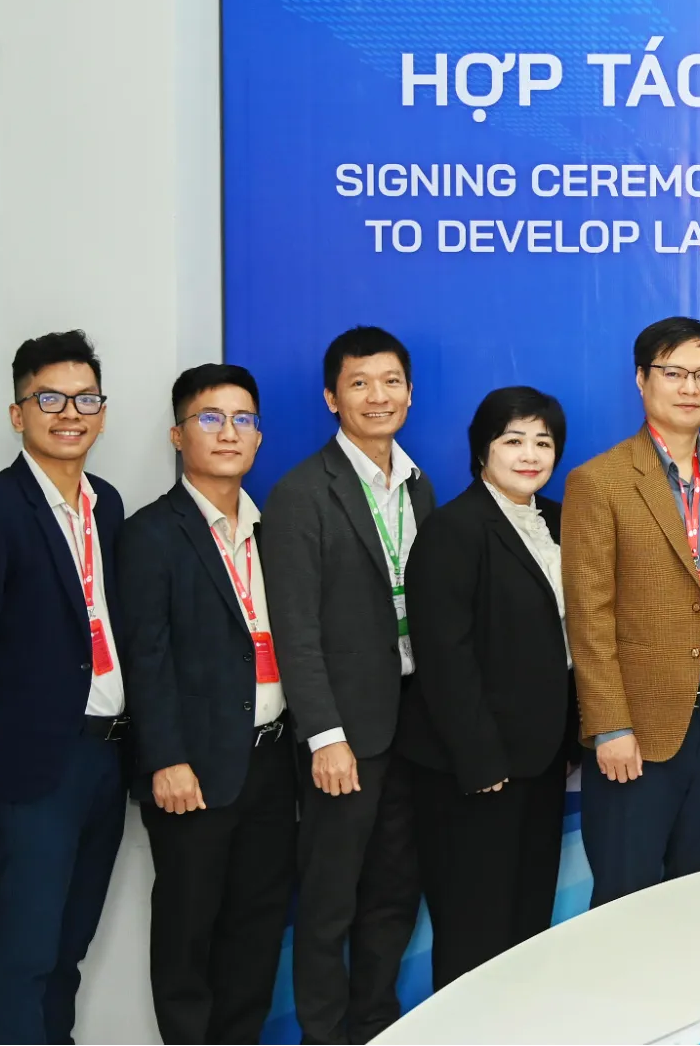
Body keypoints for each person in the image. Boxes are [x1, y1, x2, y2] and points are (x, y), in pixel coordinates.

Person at [0, 330, 128, 1046]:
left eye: (85, 399)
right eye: (49, 399)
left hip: (108, 755)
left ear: (102, 412)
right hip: (33, 765)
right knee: (26, 953)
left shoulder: (107, 505)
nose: (69, 413)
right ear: (18, 413)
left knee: (68, 949)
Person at [562, 317, 700, 905]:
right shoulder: (599, 482)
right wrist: (610, 726)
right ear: (641, 379)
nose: (689, 387)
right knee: (625, 901)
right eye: (674, 372)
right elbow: (589, 617)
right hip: (638, 733)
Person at [264, 326, 437, 1046]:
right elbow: (294, 630)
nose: (378, 396)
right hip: (344, 734)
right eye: (359, 383)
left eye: (391, 381)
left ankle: (375, 1026)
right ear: (332, 398)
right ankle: (324, 1036)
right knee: (330, 902)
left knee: (394, 891)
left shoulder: (418, 484)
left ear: (409, 392)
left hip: (412, 725)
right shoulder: (302, 493)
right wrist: (324, 735)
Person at [116, 364, 296, 1046]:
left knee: (257, 929)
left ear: (259, 436)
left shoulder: (271, 528)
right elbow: (146, 655)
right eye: (210, 418)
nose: (229, 433)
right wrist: (165, 757)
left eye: (243, 420)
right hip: (192, 769)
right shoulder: (151, 533)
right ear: (177, 434)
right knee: (188, 934)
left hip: (271, 762)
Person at [396, 386, 575, 989]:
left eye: (543, 442)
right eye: (513, 440)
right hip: (474, 770)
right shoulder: (453, 529)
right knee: (474, 930)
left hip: (542, 760)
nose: (530, 455)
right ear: (482, 450)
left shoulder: (559, 520)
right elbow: (444, 656)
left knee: (527, 922)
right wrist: (479, 759)